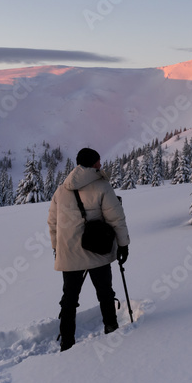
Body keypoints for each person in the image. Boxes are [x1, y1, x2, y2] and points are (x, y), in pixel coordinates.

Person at [48, 147, 130, 351]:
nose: (101, 164)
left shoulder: (61, 189)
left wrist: (57, 247)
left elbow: (52, 222)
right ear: (93, 163)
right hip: (97, 251)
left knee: (69, 298)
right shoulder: (102, 186)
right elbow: (116, 218)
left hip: (69, 253)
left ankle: (67, 341)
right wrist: (123, 244)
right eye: (99, 161)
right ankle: (111, 328)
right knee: (104, 292)